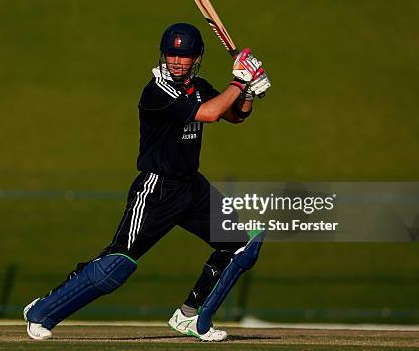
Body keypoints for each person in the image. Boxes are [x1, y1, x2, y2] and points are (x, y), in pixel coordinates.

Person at [23, 23, 270, 341]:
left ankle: (191, 317)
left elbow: (235, 116)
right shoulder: (157, 90)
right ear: (164, 56)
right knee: (116, 265)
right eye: (172, 55)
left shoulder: (199, 86)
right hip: (156, 189)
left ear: (196, 59)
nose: (177, 62)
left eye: (184, 56)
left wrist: (249, 90)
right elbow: (208, 114)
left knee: (239, 245)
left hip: (191, 187)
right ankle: (43, 311)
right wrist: (240, 79)